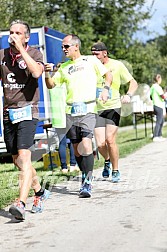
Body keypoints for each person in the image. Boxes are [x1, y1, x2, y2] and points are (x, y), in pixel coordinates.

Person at [45, 34, 112, 197]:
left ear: (76, 46)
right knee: (76, 150)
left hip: (88, 110)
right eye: (62, 47)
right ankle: (84, 175)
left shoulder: (91, 61)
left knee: (86, 144)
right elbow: (51, 85)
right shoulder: (64, 67)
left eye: (66, 46)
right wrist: (46, 74)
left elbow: (108, 75)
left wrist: (105, 89)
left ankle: (87, 183)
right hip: (70, 112)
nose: (63, 49)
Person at [0, 20, 50, 220]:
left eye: (18, 33)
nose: (13, 36)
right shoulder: (2, 55)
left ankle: (20, 203)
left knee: (25, 156)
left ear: (26, 37)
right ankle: (39, 191)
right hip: (8, 112)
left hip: (28, 110)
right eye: (11, 32)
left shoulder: (35, 53)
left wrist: (21, 49)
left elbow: (37, 72)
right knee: (17, 161)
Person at [91, 42, 138, 182]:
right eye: (92, 54)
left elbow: (133, 82)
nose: (94, 57)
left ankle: (115, 169)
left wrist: (128, 95)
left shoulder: (117, 65)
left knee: (110, 140)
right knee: (100, 143)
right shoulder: (91, 66)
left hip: (113, 106)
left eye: (96, 54)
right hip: (96, 108)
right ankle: (107, 160)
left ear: (105, 53)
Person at [150, 74, 167, 142]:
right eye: (160, 79)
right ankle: (156, 136)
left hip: (155, 105)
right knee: (159, 121)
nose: (161, 80)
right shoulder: (157, 87)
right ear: (158, 79)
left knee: (161, 120)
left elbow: (150, 97)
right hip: (159, 105)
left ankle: (159, 135)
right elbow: (162, 95)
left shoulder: (152, 87)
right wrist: (165, 98)